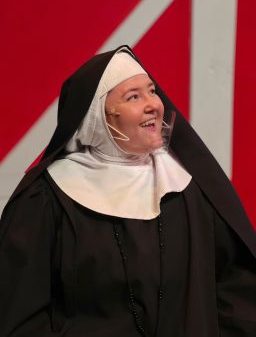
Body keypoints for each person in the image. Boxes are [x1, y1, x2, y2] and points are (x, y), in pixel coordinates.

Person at [0, 45, 255, 337]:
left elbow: (235, 285)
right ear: (97, 119)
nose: (154, 105)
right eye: (133, 97)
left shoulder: (186, 186)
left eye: (152, 91)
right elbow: (19, 316)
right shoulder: (48, 199)